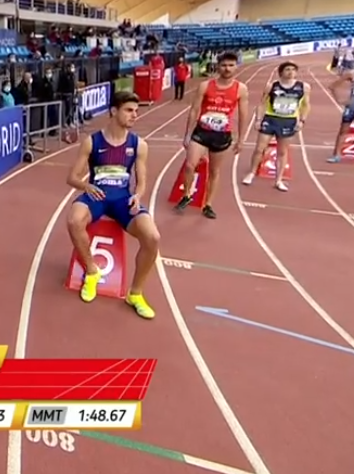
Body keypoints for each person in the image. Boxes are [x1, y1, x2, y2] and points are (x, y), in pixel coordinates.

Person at [65, 91, 160, 319]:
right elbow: (72, 178)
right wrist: (86, 187)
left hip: (121, 200)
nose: (134, 115)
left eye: (136, 111)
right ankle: (91, 271)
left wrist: (138, 196)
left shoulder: (139, 145)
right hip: (96, 196)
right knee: (73, 220)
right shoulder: (92, 141)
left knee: (153, 237)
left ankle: (135, 294)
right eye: (129, 110)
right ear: (114, 111)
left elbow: (142, 182)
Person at [175, 52, 250, 219]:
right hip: (201, 132)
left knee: (214, 171)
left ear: (236, 66)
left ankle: (207, 204)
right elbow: (194, 109)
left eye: (231, 65)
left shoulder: (241, 89)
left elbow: (244, 115)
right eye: (224, 65)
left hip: (222, 135)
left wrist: (241, 139)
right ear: (218, 66)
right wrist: (187, 134)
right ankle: (186, 195)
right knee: (189, 165)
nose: (227, 68)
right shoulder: (205, 86)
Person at [243, 61, 309, 190]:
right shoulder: (271, 86)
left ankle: (278, 180)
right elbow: (261, 103)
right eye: (287, 70)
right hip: (271, 119)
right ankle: (251, 173)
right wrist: (258, 119)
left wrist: (302, 121)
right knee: (259, 149)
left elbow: (306, 105)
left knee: (282, 152)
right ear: (281, 72)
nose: (290, 72)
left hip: (288, 121)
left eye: (293, 70)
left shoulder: (304, 87)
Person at [326, 59, 354, 163]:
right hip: (352, 107)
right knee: (343, 131)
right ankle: (336, 155)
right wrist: (340, 100)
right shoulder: (351, 74)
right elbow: (332, 86)